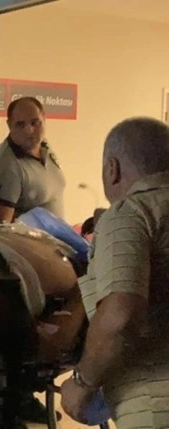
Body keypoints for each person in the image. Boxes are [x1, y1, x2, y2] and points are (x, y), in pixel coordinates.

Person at [61, 117, 169, 428]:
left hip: (155, 407)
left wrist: (82, 383)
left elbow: (121, 316)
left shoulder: (132, 214)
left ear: (113, 169)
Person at [0, 97, 66, 223]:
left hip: (56, 235)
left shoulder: (43, 145)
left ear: (44, 119)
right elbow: (1, 228)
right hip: (28, 236)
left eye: (35, 123)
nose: (29, 130)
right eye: (20, 124)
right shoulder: (7, 164)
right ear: (9, 125)